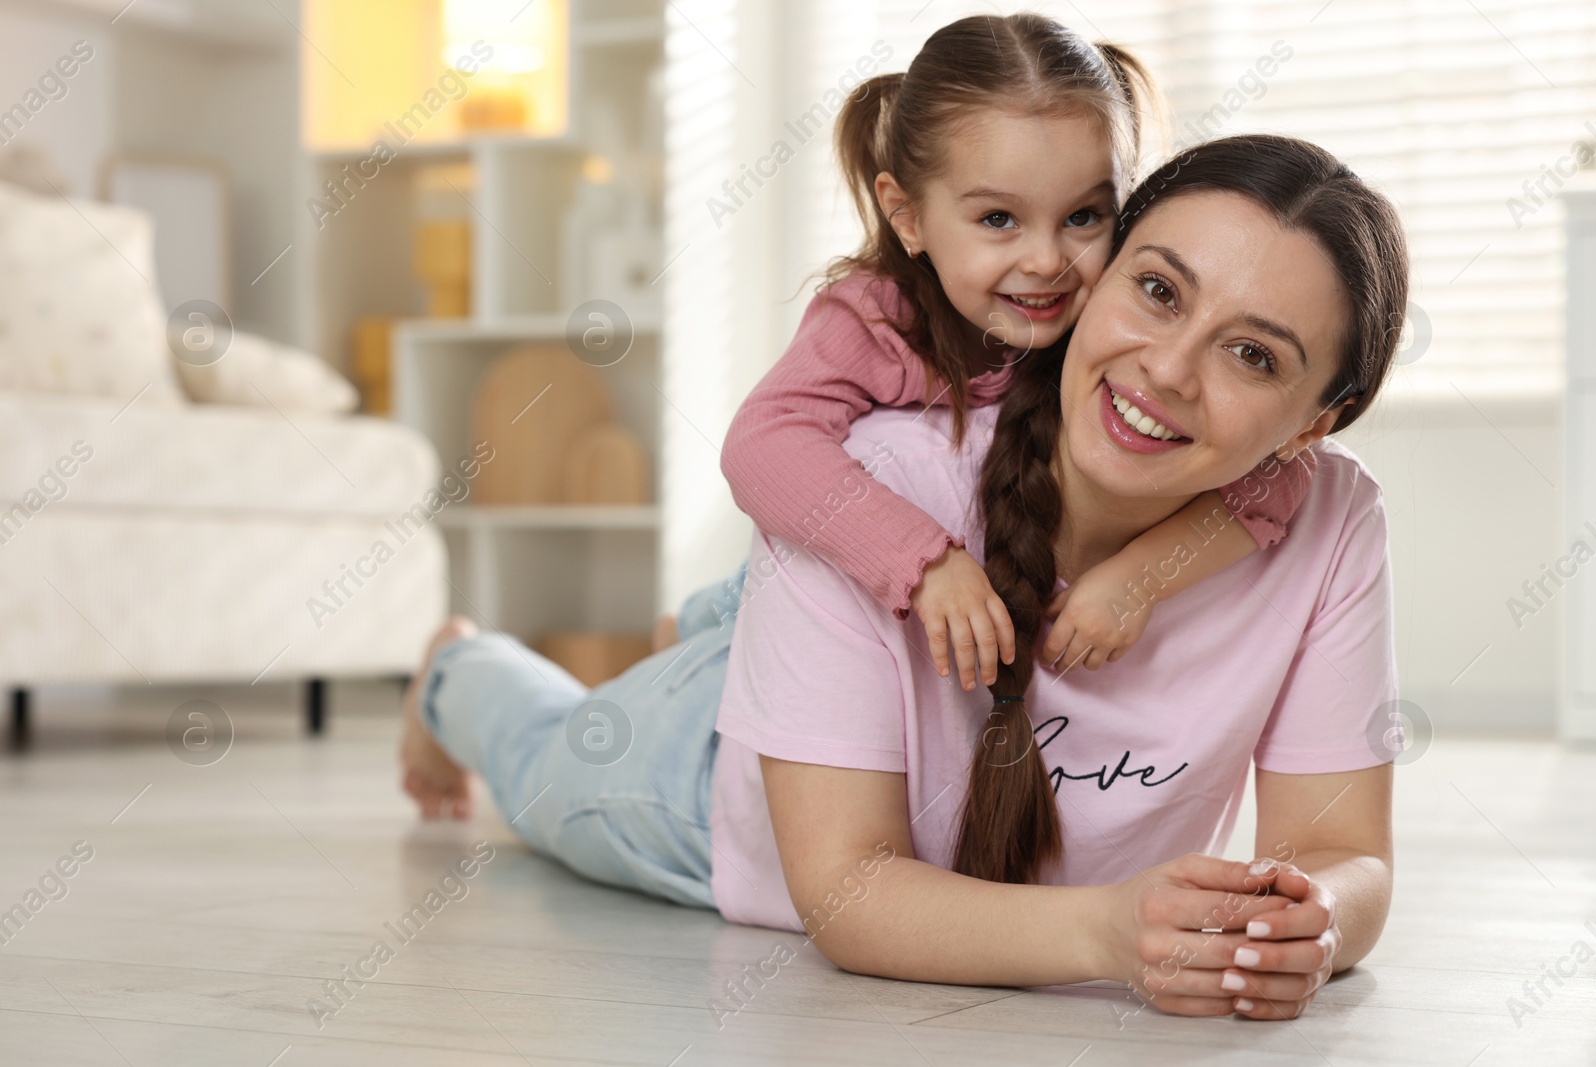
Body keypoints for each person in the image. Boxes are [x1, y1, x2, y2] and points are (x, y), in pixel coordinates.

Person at [398, 127, 1409, 1023]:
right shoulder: (879, 472)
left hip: (833, 670)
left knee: (762, 633)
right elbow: (843, 892)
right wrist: (1106, 934)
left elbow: (1345, 854)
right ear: (1093, 276)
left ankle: (717, 624)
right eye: (1155, 289)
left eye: (1252, 356)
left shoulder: (1332, 518)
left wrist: (1309, 924)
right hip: (705, 785)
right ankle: (457, 666)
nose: (1168, 368)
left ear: (1315, 421)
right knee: (538, 758)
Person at [720, 12, 1317, 693]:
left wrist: (1141, 576)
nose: (1046, 261)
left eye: (1084, 216)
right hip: (792, 604)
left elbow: (1284, 470)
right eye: (999, 219)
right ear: (907, 215)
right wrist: (924, 562)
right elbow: (759, 443)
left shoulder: (1120, 313)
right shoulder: (874, 316)